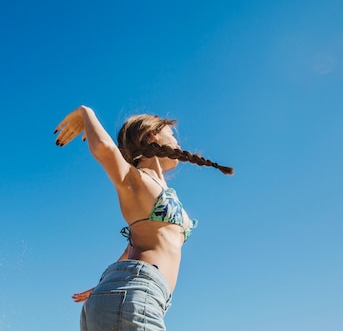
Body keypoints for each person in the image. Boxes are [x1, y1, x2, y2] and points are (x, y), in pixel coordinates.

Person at [54, 105, 233, 331]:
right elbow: (105, 149)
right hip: (136, 294)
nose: (178, 142)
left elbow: (136, 245)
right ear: (152, 134)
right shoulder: (136, 179)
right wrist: (85, 112)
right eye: (172, 134)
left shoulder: (158, 188)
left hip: (128, 294)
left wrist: (105, 286)